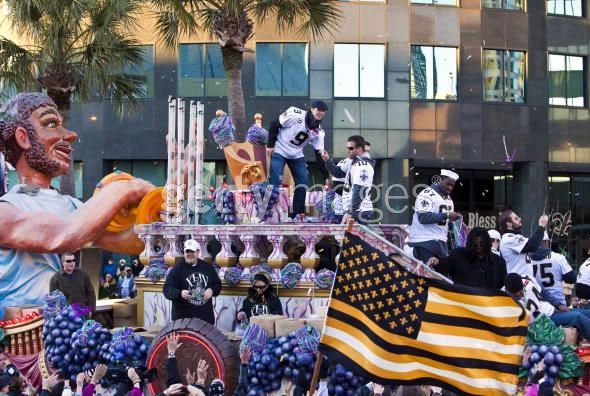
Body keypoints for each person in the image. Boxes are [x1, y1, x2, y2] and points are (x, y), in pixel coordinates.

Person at [0, 92, 153, 314]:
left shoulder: (71, 206)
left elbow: (132, 243)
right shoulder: (5, 210)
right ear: (23, 137)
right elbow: (63, 235)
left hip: (66, 331)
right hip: (22, 340)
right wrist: (125, 189)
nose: (70, 135)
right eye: (51, 124)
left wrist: (160, 204)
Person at [267, 101, 329, 220]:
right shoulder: (295, 114)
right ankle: (274, 212)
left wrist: (325, 175)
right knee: (276, 180)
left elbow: (318, 154)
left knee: (303, 182)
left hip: (296, 153)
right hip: (280, 148)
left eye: (323, 111)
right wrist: (270, 145)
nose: (320, 112)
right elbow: (274, 124)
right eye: (318, 109)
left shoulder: (319, 132)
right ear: (311, 108)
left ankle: (296, 215)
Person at [504, 273, 590, 339]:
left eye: (521, 291)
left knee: (586, 313)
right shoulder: (505, 301)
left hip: (553, 309)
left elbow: (544, 293)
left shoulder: (526, 278)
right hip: (546, 321)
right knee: (577, 317)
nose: (521, 294)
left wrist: (558, 304)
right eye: (516, 295)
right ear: (509, 292)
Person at [407, 169, 461, 263]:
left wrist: (456, 223)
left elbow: (444, 222)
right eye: (448, 184)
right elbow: (423, 218)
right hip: (424, 242)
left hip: (440, 244)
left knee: (439, 276)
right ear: (440, 179)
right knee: (427, 275)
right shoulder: (426, 194)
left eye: (452, 185)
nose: (450, 188)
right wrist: (447, 215)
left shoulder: (449, 199)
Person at [428, 227, 507, 291]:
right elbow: (445, 264)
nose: (479, 246)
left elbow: (503, 286)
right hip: (463, 303)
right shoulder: (459, 255)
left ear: (487, 244)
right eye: (475, 244)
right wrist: (436, 262)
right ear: (470, 244)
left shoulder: (498, 261)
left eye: (482, 244)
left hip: (487, 305)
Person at [163, 239, 222, 323]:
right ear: (184, 253)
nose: (189, 254)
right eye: (187, 252)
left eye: (192, 251)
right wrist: (180, 293)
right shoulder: (177, 269)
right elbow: (167, 289)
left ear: (198, 252)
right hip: (182, 320)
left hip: (205, 320)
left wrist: (211, 290)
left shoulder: (208, 268)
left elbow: (218, 285)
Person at [323, 135, 375, 225]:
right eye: (347, 148)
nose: (348, 151)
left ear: (359, 149)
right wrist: (328, 160)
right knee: (350, 238)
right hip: (356, 210)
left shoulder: (363, 165)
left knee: (353, 238)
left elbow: (359, 191)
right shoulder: (351, 161)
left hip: (359, 211)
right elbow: (338, 173)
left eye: (351, 148)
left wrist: (351, 212)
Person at [530, 233, 576, 309]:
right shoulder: (558, 257)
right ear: (546, 242)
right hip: (558, 304)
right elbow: (571, 278)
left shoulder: (527, 260)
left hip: (538, 305)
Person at [499, 209, 548, 278]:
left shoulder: (513, 237)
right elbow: (532, 245)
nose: (520, 219)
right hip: (518, 282)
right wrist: (541, 226)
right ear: (509, 224)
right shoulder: (508, 239)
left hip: (524, 282)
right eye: (516, 218)